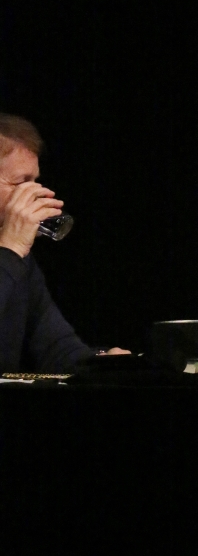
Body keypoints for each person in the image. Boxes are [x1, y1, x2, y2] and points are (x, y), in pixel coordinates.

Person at [0, 114, 128, 372]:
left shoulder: (20, 262)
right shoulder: (12, 256)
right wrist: (10, 249)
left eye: (35, 182)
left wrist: (102, 363)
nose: (38, 194)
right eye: (22, 183)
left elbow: (56, 349)